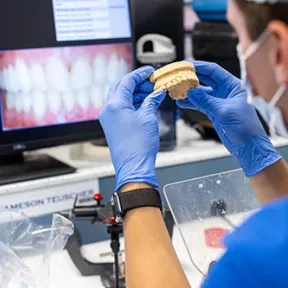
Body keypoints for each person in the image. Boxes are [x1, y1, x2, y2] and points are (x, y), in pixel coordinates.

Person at [99, 0, 288, 287]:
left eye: (240, 40)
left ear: (279, 51)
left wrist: (134, 186)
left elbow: (274, 250)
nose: (243, 60)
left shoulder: (257, 254)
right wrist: (260, 157)